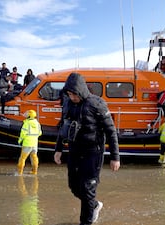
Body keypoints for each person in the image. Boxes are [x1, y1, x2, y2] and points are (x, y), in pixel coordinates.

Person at [54, 73, 120, 225]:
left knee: (87, 188)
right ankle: (94, 205)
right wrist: (58, 149)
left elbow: (111, 130)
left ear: (81, 91)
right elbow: (63, 126)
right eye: (69, 94)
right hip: (74, 150)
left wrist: (115, 157)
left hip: (93, 152)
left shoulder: (96, 104)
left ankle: (86, 221)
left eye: (74, 94)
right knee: (74, 186)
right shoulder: (68, 104)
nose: (72, 97)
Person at [17, 110, 42, 175]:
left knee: (22, 158)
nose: (25, 114)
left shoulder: (26, 123)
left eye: (26, 113)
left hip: (27, 144)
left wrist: (19, 140)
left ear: (29, 115)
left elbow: (23, 133)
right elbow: (40, 133)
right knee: (34, 157)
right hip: (34, 144)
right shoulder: (37, 123)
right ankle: (34, 171)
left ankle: (20, 173)